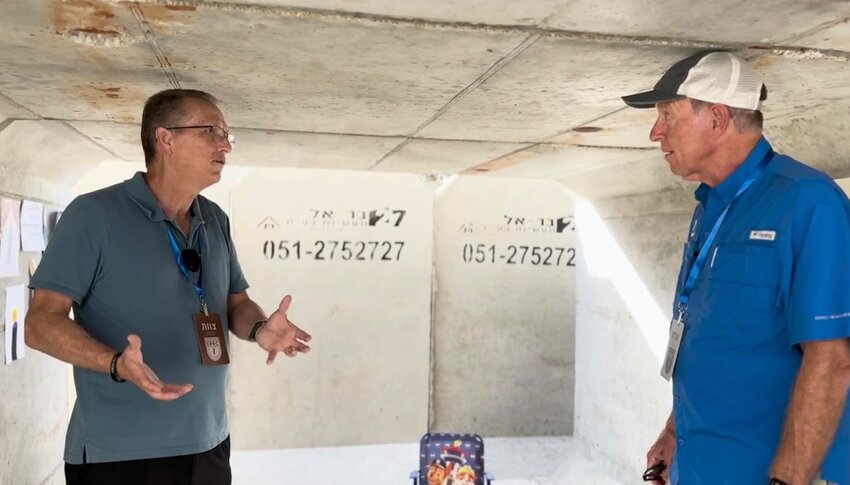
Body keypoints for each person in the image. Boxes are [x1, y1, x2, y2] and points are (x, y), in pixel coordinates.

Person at [25, 89, 312, 485]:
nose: (225, 145)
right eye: (211, 131)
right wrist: (115, 363)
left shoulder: (214, 219)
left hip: (208, 443)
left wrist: (260, 328)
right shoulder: (93, 215)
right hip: (121, 453)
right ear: (165, 139)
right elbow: (40, 323)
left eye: (227, 134)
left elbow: (236, 303)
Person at [622, 51, 850, 484]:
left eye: (668, 116)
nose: (655, 133)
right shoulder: (709, 206)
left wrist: (788, 479)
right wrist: (674, 432)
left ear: (718, 119)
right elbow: (715, 335)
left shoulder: (809, 204)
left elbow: (832, 359)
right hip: (702, 466)